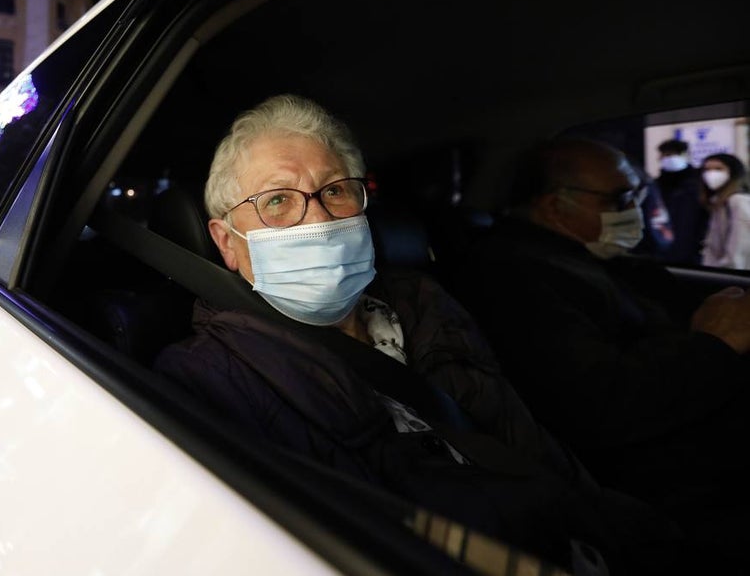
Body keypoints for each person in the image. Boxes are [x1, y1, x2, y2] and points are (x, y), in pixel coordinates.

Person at [153, 96, 687, 575]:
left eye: (335, 190)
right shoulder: (206, 377)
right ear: (227, 243)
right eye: (276, 201)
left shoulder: (426, 303)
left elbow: (523, 439)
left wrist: (614, 525)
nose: (315, 217)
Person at [457, 136, 750, 569]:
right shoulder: (515, 276)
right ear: (557, 207)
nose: (633, 207)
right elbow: (599, 402)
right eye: (620, 197)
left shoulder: (589, 258)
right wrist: (713, 345)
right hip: (665, 482)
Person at [654, 138, 708, 265]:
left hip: (693, 249)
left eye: (675, 154)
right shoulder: (657, 184)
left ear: (686, 155)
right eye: (666, 154)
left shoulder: (700, 182)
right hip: (664, 247)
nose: (670, 158)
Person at [699, 152, 750, 269]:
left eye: (718, 169)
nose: (711, 174)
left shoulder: (738, 201)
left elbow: (739, 250)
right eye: (707, 169)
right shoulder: (718, 202)